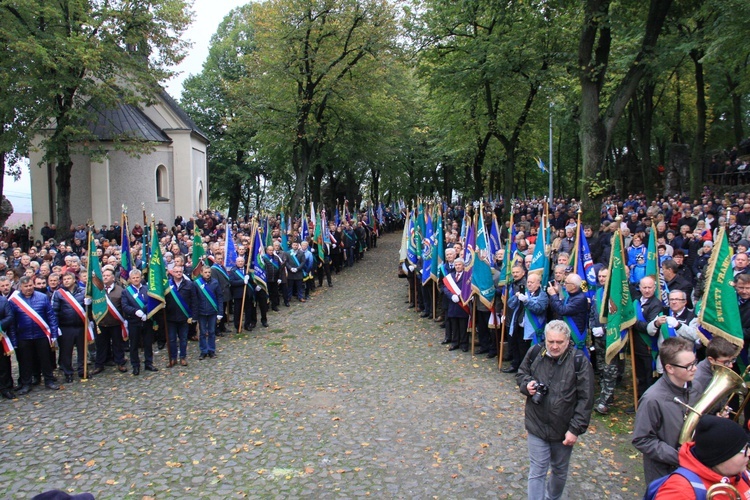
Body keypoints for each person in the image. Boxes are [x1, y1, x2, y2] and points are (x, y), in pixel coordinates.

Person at [516, 320, 594, 500]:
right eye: (551, 342)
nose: (554, 346)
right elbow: (521, 374)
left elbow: (586, 399)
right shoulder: (536, 352)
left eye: (559, 342)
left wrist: (575, 429)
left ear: (568, 341)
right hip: (536, 423)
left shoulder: (579, 362)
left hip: (563, 429)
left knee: (559, 471)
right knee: (537, 470)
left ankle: (553, 497)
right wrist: (526, 385)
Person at [632, 337, 703, 484]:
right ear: (670, 368)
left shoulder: (695, 387)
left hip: (693, 468)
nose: (695, 368)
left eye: (694, 363)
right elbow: (642, 439)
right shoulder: (652, 399)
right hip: (664, 474)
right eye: (689, 366)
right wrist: (679, 456)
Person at [650, 415, 750, 499]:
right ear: (721, 457)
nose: (749, 453)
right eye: (743, 450)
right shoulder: (679, 492)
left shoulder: (739, 474)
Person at [9, 276, 60, 393]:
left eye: (31, 285)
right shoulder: (14, 301)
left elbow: (51, 316)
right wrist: (14, 340)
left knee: (45, 359)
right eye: (26, 286)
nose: (29, 288)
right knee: (25, 361)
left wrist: (53, 333)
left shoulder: (42, 297)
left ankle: (49, 380)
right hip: (23, 336)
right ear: (20, 287)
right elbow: (12, 323)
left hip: (41, 334)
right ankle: (27, 383)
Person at [91, 266, 128, 375]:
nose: (105, 277)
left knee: (117, 344)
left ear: (113, 278)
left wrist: (125, 320)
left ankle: (120, 362)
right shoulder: (97, 290)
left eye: (108, 276)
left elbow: (123, 306)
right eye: (104, 276)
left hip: (115, 323)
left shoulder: (120, 290)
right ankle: (99, 364)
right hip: (101, 323)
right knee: (101, 345)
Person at [51, 272, 86, 382]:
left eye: (68, 278)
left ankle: (82, 370)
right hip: (65, 327)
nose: (66, 281)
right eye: (64, 279)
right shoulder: (58, 294)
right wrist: (55, 327)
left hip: (81, 326)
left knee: (82, 350)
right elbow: (54, 312)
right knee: (66, 351)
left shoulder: (83, 292)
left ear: (74, 280)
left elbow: (88, 310)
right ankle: (68, 372)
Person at [121, 269, 158, 375]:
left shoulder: (147, 289)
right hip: (134, 322)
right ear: (130, 279)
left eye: (138, 277)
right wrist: (135, 311)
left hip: (147, 320)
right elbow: (125, 306)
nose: (136, 279)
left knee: (148, 343)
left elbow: (152, 301)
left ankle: (149, 363)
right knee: (134, 345)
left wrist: (145, 312)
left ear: (141, 278)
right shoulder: (126, 291)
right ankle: (135, 365)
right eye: (134, 278)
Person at [547, 274, 589, 352]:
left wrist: (553, 295)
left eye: (566, 283)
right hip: (567, 331)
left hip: (575, 334)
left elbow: (562, 310)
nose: (564, 285)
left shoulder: (580, 298)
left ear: (573, 286)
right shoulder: (571, 295)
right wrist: (558, 292)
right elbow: (562, 302)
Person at [165, 265, 197, 367]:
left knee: (183, 339)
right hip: (171, 317)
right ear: (172, 272)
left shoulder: (189, 284)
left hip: (184, 317)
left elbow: (194, 301)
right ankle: (173, 358)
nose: (178, 273)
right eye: (176, 271)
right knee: (172, 339)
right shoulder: (167, 285)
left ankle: (183, 357)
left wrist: (193, 316)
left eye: (180, 271)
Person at [194, 266, 223, 359]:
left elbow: (219, 297)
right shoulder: (197, 283)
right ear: (201, 273)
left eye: (209, 272)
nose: (207, 274)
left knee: (211, 332)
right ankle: (203, 351)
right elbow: (194, 299)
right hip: (201, 312)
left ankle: (211, 350)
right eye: (206, 272)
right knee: (202, 332)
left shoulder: (215, 282)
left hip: (212, 311)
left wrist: (220, 312)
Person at [442, 258, 469, 352]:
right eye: (456, 265)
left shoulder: (467, 277)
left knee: (463, 326)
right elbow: (445, 289)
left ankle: (464, 344)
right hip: (453, 304)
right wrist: (452, 296)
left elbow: (468, 289)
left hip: (463, 305)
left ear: (463, 266)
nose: (457, 266)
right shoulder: (450, 276)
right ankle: (455, 343)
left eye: (459, 265)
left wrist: (460, 296)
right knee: (454, 325)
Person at [229, 256, 254, 332]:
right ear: (236, 262)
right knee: (237, 311)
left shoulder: (247, 270)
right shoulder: (233, 271)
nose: (240, 263)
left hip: (247, 293)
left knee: (248, 310)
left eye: (242, 261)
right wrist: (242, 281)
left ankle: (247, 325)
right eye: (239, 261)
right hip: (238, 294)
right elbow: (232, 282)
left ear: (244, 262)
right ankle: (238, 326)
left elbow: (251, 281)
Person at [0, 292, 15, 399]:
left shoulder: (3, 300)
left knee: (3, 364)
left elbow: (9, 316)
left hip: (1, 337)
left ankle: (6, 387)